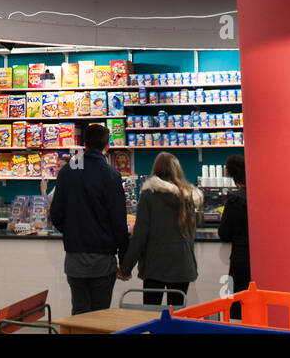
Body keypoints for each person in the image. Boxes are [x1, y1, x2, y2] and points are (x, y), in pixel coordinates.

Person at [48, 123, 130, 315]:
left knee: (79, 312)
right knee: (100, 316)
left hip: (74, 259)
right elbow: (119, 222)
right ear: (107, 145)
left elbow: (56, 214)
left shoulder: (67, 172)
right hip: (103, 260)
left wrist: (70, 231)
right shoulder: (111, 175)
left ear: (84, 143)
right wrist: (124, 261)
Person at [119, 152, 202, 307]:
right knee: (176, 315)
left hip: (154, 266)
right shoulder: (188, 196)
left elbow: (140, 236)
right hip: (182, 265)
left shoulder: (149, 195)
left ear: (155, 170)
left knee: (151, 315)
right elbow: (190, 235)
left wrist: (125, 267)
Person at [217, 154, 248, 318]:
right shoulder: (260, 196)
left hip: (240, 260)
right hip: (262, 261)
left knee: (236, 305)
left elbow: (224, 234)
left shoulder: (234, 200)